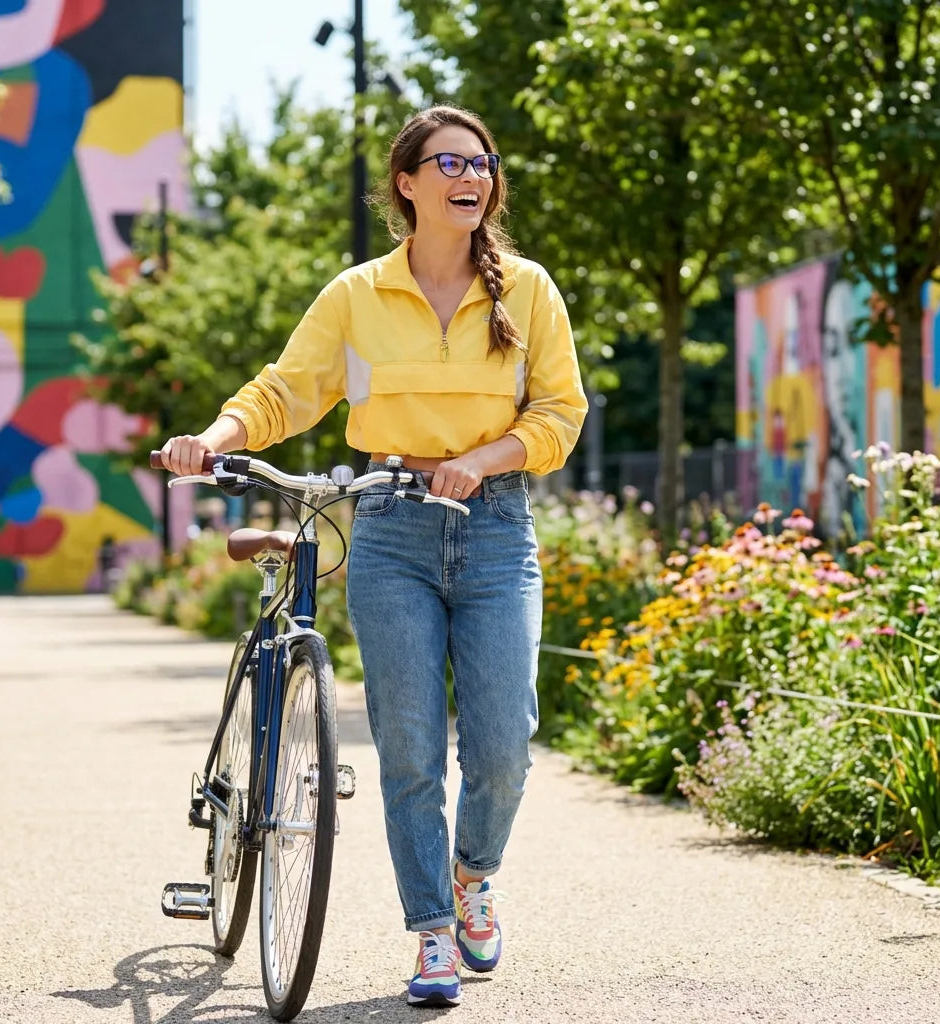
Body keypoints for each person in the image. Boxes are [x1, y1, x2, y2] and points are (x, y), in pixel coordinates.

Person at [159, 105, 587, 1008]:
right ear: (408, 183)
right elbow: (287, 391)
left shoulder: (530, 289)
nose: (472, 175)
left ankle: (475, 876)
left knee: (506, 740)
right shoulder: (357, 294)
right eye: (451, 162)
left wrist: (479, 460)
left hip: (497, 524)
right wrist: (214, 433)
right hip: (390, 527)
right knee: (409, 747)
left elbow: (558, 415)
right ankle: (431, 930)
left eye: (483, 161)